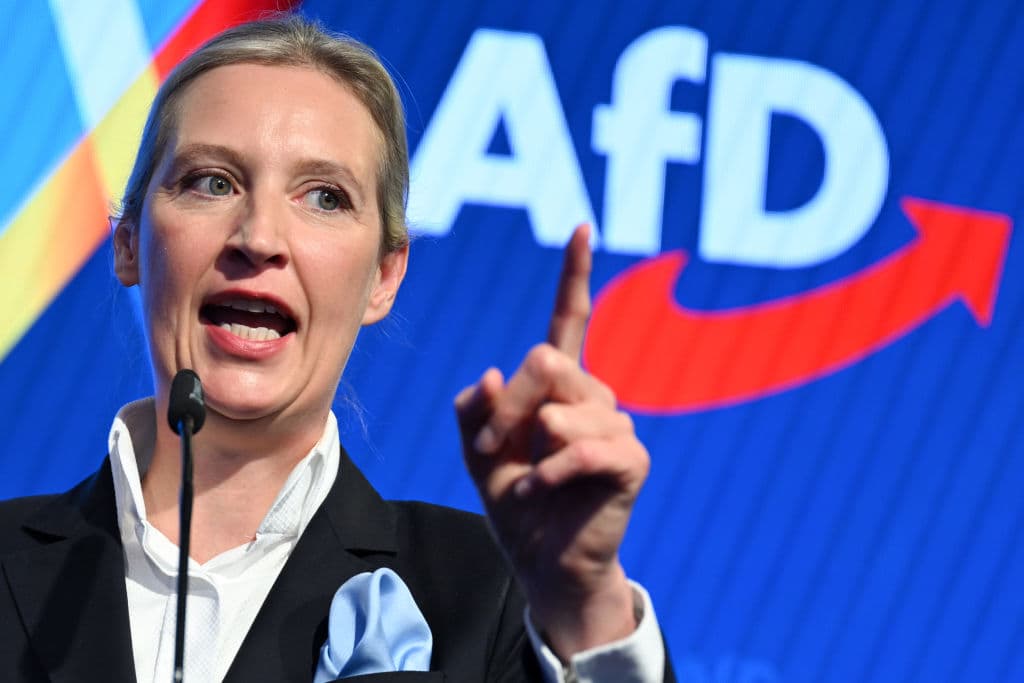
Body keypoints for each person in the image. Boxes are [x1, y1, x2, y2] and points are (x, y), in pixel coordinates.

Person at [0, 15, 673, 682]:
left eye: (324, 196)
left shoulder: (490, 601)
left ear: (383, 277)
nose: (259, 236)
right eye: (213, 182)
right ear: (127, 242)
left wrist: (585, 603)